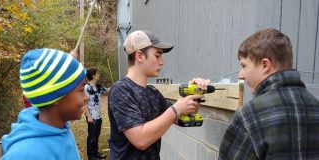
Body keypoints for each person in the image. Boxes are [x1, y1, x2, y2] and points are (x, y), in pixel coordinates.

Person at [108, 30, 210, 160]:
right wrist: (176, 108)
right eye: (157, 56)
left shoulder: (153, 93)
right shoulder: (121, 91)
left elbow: (181, 117)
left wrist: (193, 94)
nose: (162, 62)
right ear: (140, 56)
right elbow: (140, 140)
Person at [218, 28, 319, 159]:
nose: (240, 75)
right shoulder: (315, 107)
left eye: (244, 66)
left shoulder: (249, 116)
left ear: (265, 65)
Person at [1, 48, 87, 159]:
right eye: (81, 90)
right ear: (56, 97)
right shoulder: (23, 155)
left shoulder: (59, 128)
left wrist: (68, 64)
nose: (86, 97)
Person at [84, 67, 108, 160]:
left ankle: (96, 153)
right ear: (93, 75)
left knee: (96, 135)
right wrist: (88, 116)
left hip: (98, 116)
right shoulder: (87, 87)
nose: (99, 74)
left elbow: (108, 90)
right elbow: (84, 103)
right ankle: (91, 156)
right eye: (97, 73)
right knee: (92, 136)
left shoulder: (98, 87)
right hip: (91, 116)